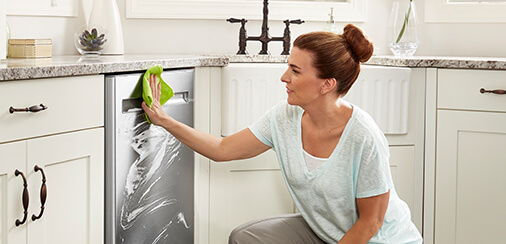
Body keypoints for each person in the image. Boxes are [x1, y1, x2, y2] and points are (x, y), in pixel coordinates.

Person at [142, 24, 423, 244]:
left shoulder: (364, 136)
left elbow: (371, 222)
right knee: (245, 238)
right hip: (326, 234)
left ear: (326, 84)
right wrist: (165, 121)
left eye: (295, 70)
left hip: (379, 240)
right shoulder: (284, 118)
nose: (284, 77)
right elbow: (222, 149)